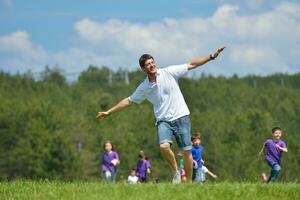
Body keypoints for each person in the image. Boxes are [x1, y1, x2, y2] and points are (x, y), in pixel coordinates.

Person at [96, 47, 226, 183]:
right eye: (148, 64)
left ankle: (188, 182)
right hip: (163, 121)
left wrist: (211, 56)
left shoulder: (169, 72)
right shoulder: (144, 87)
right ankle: (176, 171)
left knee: (187, 151)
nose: (151, 65)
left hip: (181, 116)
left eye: (152, 62)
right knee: (164, 146)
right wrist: (109, 112)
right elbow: (128, 101)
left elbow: (191, 64)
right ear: (143, 69)